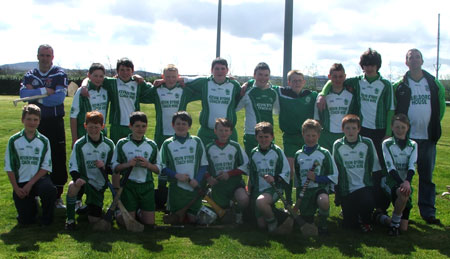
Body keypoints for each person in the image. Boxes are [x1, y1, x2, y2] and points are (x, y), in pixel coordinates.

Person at [319, 48, 394, 216]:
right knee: (357, 165)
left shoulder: (386, 85)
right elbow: (335, 80)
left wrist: (388, 132)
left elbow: (390, 109)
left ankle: (380, 206)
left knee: (378, 170)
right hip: (360, 130)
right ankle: (350, 201)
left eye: (373, 65)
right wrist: (323, 93)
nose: (369, 68)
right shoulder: (357, 82)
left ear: (378, 66)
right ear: (362, 67)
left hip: (380, 131)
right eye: (366, 65)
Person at [393, 48, 446, 225]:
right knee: (402, 177)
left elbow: (441, 108)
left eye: (417, 57)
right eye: (410, 58)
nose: (414, 60)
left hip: (427, 138)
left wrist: (433, 125)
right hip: (406, 140)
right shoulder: (400, 85)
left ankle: (428, 212)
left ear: (422, 61)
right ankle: (402, 210)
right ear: (406, 62)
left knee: (427, 177)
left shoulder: (433, 83)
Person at [20, 44, 68, 209]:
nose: (45, 58)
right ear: (37, 56)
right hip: (35, 123)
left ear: (52, 57)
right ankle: (33, 193)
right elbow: (22, 95)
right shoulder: (30, 75)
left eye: (48, 55)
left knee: (57, 157)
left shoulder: (59, 74)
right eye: (42, 55)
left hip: (54, 122)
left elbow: (58, 99)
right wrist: (45, 91)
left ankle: (57, 197)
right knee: (34, 157)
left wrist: (35, 96)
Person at [143, 64, 189, 210]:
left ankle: (177, 193)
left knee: (179, 163)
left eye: (173, 77)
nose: (170, 79)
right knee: (162, 164)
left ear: (178, 77)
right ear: (163, 77)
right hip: (161, 134)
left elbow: (203, 87)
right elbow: (141, 95)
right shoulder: (158, 90)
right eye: (167, 77)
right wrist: (152, 85)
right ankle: (161, 196)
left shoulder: (184, 90)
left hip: (180, 134)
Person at [5, 104, 56, 225]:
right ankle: (32, 206)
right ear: (22, 120)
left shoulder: (43, 141)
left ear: (39, 121)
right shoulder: (14, 140)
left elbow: (46, 167)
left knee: (49, 189)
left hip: (38, 180)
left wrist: (30, 184)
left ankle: (46, 219)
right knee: (26, 222)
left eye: (35, 120)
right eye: (28, 119)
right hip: (21, 183)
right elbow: (9, 167)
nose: (32, 123)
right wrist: (16, 188)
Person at [81, 58, 152, 144]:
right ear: (117, 71)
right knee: (116, 151)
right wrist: (84, 86)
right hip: (116, 125)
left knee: (132, 150)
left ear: (132, 71)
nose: (125, 73)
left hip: (133, 124)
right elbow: (90, 78)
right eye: (122, 70)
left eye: (128, 70)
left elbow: (153, 89)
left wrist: (142, 79)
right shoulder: (111, 82)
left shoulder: (138, 83)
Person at [273, 70, 318, 205]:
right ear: (289, 82)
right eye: (294, 80)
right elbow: (263, 82)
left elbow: (325, 94)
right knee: (290, 170)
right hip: (290, 137)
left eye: (299, 80)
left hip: (307, 138)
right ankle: (288, 199)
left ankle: (306, 199)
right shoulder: (281, 92)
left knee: (305, 170)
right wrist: (248, 83)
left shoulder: (312, 95)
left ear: (304, 82)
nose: (297, 83)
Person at [65, 111, 115, 230]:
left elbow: (113, 168)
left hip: (98, 185)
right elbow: (73, 165)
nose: (93, 130)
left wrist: (105, 167)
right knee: (72, 186)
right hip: (84, 181)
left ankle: (88, 207)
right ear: (85, 126)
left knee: (94, 220)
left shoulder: (109, 144)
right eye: (90, 127)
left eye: (96, 127)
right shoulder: (80, 144)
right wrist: (77, 178)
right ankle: (70, 220)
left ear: (102, 127)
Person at [70, 63, 109, 212]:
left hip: (101, 135)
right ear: (89, 76)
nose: (98, 79)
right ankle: (78, 200)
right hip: (84, 135)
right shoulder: (82, 91)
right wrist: (74, 139)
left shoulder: (106, 89)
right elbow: (73, 116)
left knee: (98, 166)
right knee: (81, 168)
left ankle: (95, 199)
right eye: (95, 76)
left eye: (101, 76)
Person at [333, 114, 381, 233]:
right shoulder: (338, 145)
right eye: (347, 128)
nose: (351, 131)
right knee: (349, 226)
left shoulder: (367, 143)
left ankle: (367, 218)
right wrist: (338, 193)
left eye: (354, 128)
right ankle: (352, 213)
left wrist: (375, 189)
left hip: (363, 186)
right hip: (347, 189)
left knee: (367, 202)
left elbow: (375, 167)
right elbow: (336, 170)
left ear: (359, 129)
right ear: (342, 129)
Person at [159, 111, 208, 223]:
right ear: (173, 125)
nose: (181, 126)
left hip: (194, 188)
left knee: (193, 220)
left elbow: (204, 164)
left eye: (184, 124)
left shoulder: (196, 141)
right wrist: (176, 175)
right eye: (178, 123)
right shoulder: (167, 144)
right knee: (177, 220)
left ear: (189, 126)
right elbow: (162, 166)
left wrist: (197, 180)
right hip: (177, 189)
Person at [112, 112, 160, 225]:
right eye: (137, 126)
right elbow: (114, 167)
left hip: (147, 186)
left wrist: (148, 165)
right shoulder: (122, 143)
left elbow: (159, 169)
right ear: (130, 126)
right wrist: (128, 165)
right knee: (128, 223)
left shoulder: (151, 145)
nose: (140, 129)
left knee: (149, 223)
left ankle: (138, 211)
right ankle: (119, 213)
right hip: (129, 186)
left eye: (143, 126)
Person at [183, 58, 242, 146]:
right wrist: (163, 80)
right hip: (206, 132)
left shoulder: (234, 85)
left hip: (228, 133)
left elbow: (242, 96)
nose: (220, 71)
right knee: (203, 158)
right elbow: (183, 80)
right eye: (217, 69)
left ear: (227, 70)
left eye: (222, 69)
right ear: (211, 70)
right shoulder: (204, 82)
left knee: (230, 159)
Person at [293, 119, 338, 235]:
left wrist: (317, 178)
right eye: (308, 135)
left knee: (324, 201)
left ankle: (323, 225)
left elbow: (334, 176)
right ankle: (310, 219)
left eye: (314, 135)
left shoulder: (324, 153)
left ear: (318, 135)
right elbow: (297, 179)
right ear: (303, 134)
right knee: (307, 220)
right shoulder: (298, 154)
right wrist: (298, 197)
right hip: (305, 192)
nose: (310, 138)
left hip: (319, 189)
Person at [378, 114, 417, 236]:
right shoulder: (387, 143)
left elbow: (412, 166)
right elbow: (390, 167)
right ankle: (394, 225)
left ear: (408, 128)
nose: (400, 130)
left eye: (403, 127)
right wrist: (402, 183)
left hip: (405, 182)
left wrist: (407, 182)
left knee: (404, 228)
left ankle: (381, 218)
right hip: (390, 180)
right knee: (403, 193)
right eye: (397, 127)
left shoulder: (413, 144)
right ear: (392, 128)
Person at [205, 118, 249, 224]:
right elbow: (203, 167)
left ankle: (239, 213)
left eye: (226, 130)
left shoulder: (236, 146)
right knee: (223, 213)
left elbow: (246, 165)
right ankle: (214, 195)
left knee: (243, 199)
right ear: (215, 131)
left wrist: (229, 174)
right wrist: (208, 178)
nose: (223, 133)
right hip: (218, 186)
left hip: (234, 184)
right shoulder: (209, 148)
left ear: (231, 132)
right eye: (220, 130)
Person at [248, 122, 290, 232]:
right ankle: (279, 214)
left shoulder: (277, 151)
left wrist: (274, 178)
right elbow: (252, 174)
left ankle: (273, 221)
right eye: (260, 137)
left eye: (266, 137)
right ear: (256, 137)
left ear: (272, 137)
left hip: (274, 188)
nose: (263, 140)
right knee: (261, 225)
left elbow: (286, 171)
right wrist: (249, 189)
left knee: (261, 202)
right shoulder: (254, 153)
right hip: (258, 189)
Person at [236, 62, 279, 156]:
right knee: (251, 164)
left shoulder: (273, 93)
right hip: (251, 134)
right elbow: (236, 108)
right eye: (260, 74)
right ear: (254, 75)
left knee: (268, 163)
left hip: (268, 134)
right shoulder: (247, 92)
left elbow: (277, 111)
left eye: (266, 75)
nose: (263, 78)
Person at [314, 63, 357, 151]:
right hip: (326, 136)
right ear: (329, 77)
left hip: (344, 135)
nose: (338, 79)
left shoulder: (351, 95)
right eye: (335, 76)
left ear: (345, 76)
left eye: (340, 76)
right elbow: (317, 118)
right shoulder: (322, 97)